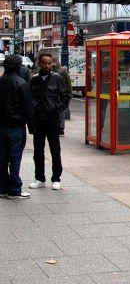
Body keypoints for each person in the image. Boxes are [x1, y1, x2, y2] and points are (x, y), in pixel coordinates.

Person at [29, 53, 71, 191]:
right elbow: (30, 99)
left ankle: (56, 178)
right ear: (39, 64)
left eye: (49, 63)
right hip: (39, 120)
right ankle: (39, 178)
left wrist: (56, 109)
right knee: (38, 151)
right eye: (44, 63)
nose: (47, 66)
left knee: (55, 150)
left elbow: (66, 96)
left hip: (52, 120)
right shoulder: (34, 79)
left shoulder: (57, 78)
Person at [0, 55, 35, 199]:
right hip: (16, 126)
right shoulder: (21, 84)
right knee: (15, 158)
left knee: (2, 158)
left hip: (1, 125)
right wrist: (32, 128)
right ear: (18, 66)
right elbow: (28, 108)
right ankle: (15, 188)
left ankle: (2, 188)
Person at [52, 59, 72, 136]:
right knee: (61, 112)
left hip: (54, 95)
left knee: (56, 111)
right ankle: (61, 128)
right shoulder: (63, 71)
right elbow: (68, 83)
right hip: (61, 95)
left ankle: (56, 127)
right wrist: (69, 94)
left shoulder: (51, 71)